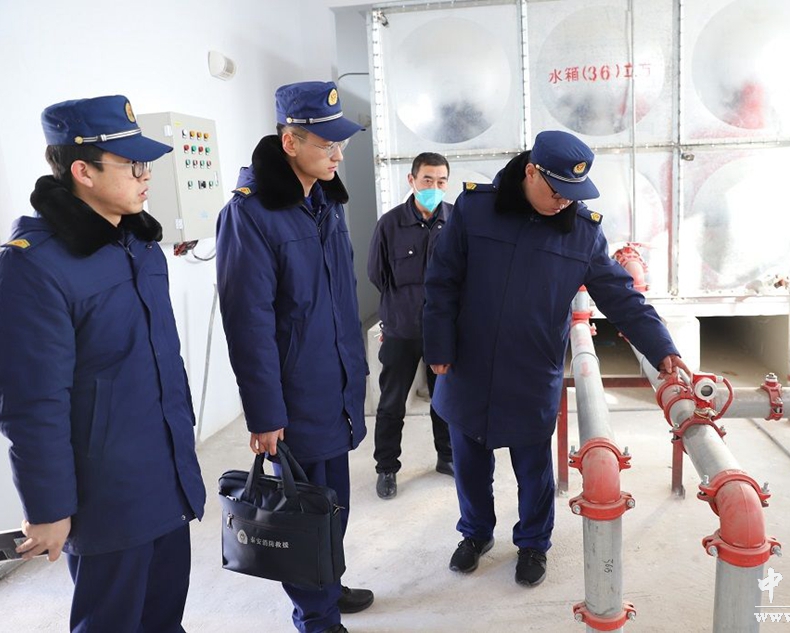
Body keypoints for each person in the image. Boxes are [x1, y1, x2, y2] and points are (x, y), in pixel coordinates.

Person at [423, 130, 690, 588]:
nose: (565, 201)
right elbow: (442, 279)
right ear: (530, 172)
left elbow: (621, 297)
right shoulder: (475, 209)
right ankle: (475, 533)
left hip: (530, 370)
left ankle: (533, 543)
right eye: (557, 190)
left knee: (534, 470)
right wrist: (439, 346)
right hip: (468, 365)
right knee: (469, 463)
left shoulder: (582, 232)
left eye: (574, 193)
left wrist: (662, 347)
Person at [0, 95, 207, 632]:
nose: (146, 176)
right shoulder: (31, 267)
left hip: (167, 477)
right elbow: (31, 404)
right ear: (82, 171)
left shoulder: (138, 245)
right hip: (107, 495)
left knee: (164, 618)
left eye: (146, 164)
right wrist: (48, 508)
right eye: (132, 165)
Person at [215, 80, 372, 633]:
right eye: (326, 144)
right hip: (294, 399)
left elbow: (339, 302)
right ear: (290, 142)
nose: (338, 154)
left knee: (332, 505)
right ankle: (317, 617)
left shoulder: (325, 203)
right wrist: (264, 414)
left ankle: (327, 581)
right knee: (303, 508)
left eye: (340, 143)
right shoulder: (251, 215)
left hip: (335, 389)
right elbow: (248, 325)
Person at [367, 152, 454, 500]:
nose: (434, 187)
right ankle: (386, 468)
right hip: (401, 329)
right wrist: (402, 306)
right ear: (412, 180)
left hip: (443, 331)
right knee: (391, 404)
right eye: (427, 180)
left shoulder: (456, 221)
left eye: (441, 181)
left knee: (445, 400)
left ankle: (447, 457)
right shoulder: (389, 225)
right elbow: (377, 274)